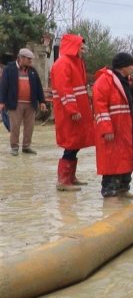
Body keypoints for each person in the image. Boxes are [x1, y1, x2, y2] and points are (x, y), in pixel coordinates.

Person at [91, 52, 133, 198]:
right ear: (123, 67)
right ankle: (110, 191)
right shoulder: (104, 81)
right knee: (113, 162)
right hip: (113, 130)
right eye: (131, 64)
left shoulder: (127, 81)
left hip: (127, 129)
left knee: (126, 159)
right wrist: (106, 129)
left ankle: (123, 189)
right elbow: (99, 108)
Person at [50, 34, 95, 191]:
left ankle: (70, 177)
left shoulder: (76, 63)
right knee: (71, 143)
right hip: (69, 112)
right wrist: (72, 110)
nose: (83, 51)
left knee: (75, 143)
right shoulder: (63, 64)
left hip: (78, 111)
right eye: (81, 48)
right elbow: (64, 90)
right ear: (73, 47)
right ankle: (63, 181)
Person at [0, 48, 47, 156]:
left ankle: (26, 146)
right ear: (21, 58)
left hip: (30, 103)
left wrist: (42, 101)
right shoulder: (9, 69)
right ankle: (14, 147)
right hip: (15, 103)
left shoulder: (32, 71)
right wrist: (1, 102)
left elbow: (38, 86)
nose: (31, 61)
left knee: (29, 126)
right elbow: (3, 86)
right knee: (15, 126)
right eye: (29, 59)